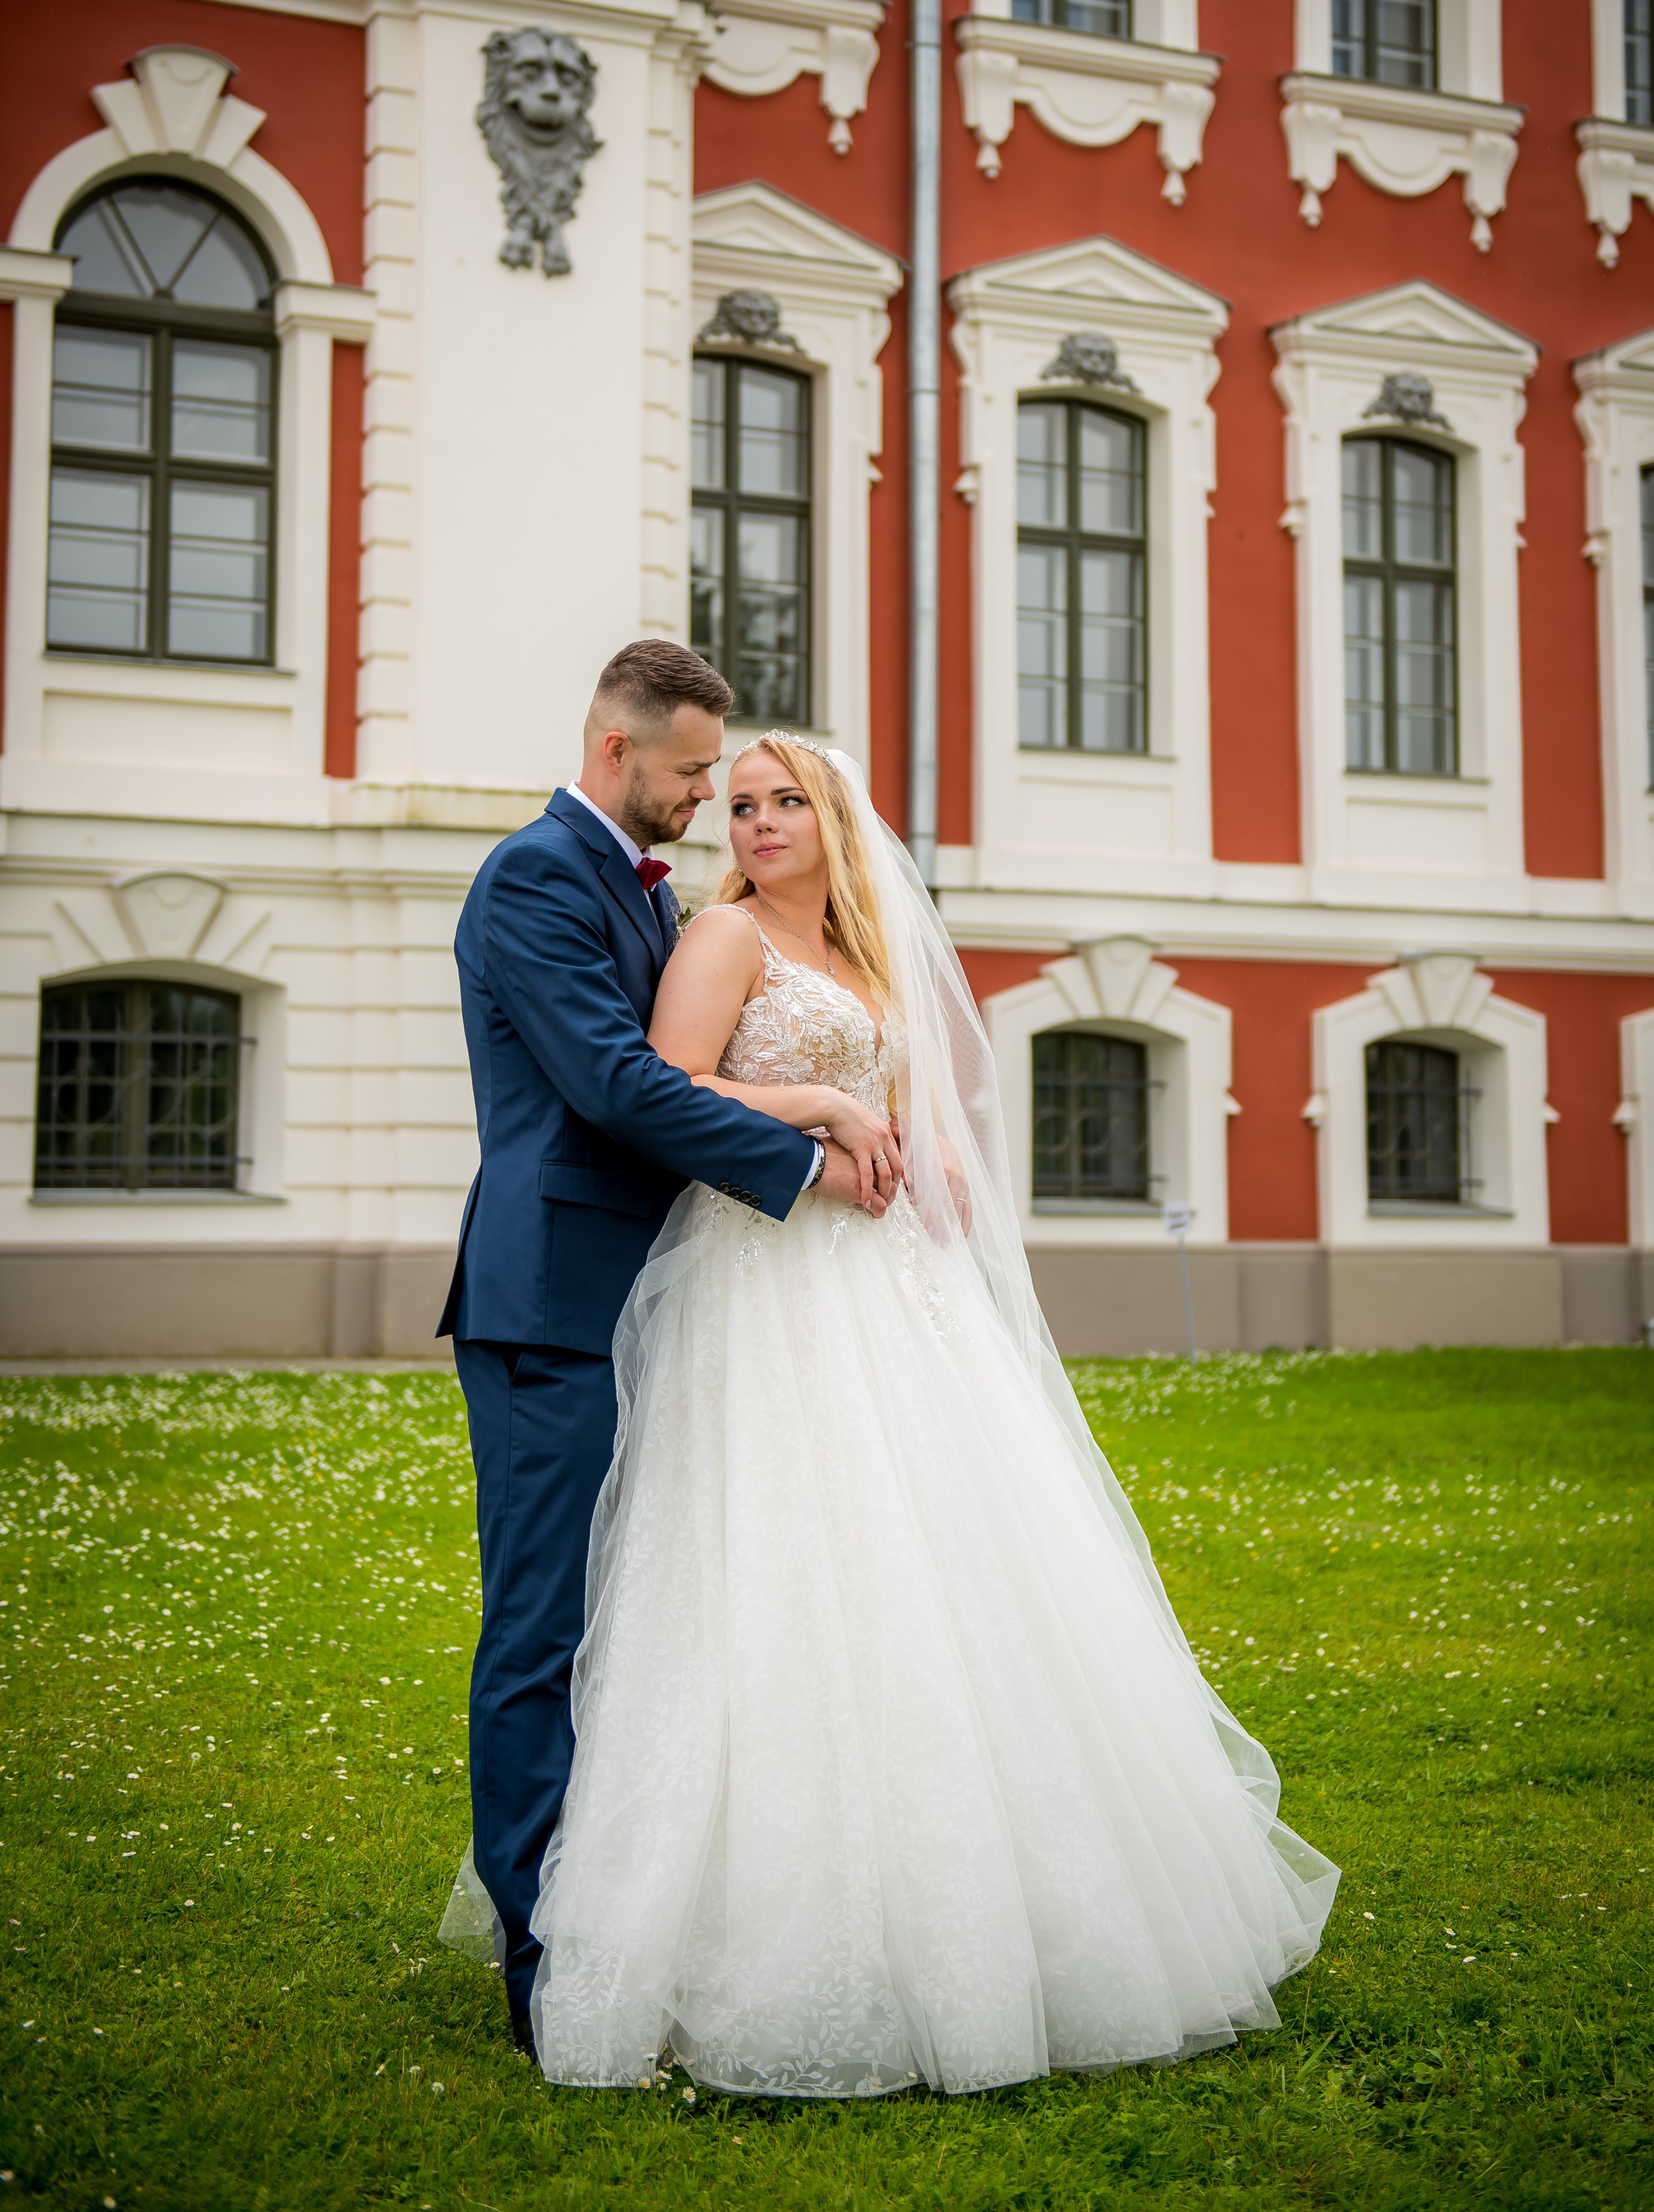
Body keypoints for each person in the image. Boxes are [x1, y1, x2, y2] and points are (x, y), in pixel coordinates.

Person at [520, 730, 1340, 2095]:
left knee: (964, 1565)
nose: (764, 821)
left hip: (896, 1286)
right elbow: (665, 1091)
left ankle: (1016, 1899)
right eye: (741, 804)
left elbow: (922, 1098)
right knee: (790, 1570)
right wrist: (819, 1103)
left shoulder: (872, 950)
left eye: (788, 800)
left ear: (836, 818)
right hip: (768, 1284)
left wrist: (933, 1159)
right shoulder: (721, 940)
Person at [436, 645, 897, 2056]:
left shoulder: (643, 889)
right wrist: (805, 1138)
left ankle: (643, 1910)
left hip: (658, 1297)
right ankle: (544, 1964)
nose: (711, 797)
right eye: (696, 771)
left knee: (646, 1619)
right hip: (551, 1301)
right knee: (542, 1629)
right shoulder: (533, 876)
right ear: (616, 747)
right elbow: (619, 1080)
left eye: (731, 778)